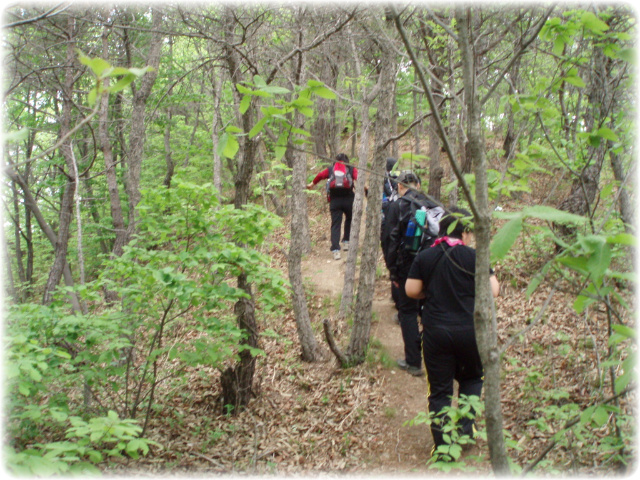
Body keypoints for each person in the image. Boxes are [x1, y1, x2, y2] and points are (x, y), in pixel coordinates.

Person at [405, 206, 500, 452]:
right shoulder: (474, 257)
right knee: (471, 379)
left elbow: (411, 290)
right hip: (470, 332)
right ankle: (465, 432)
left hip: (437, 333)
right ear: (466, 232)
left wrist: (431, 292)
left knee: (439, 390)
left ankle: (443, 446)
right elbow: (493, 291)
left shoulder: (426, 256)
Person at [383, 170, 442, 377]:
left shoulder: (397, 206)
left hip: (408, 265)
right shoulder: (433, 203)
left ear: (399, 186)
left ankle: (414, 362)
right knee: (430, 310)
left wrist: (393, 271)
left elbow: (389, 240)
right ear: (418, 184)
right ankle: (437, 359)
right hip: (436, 264)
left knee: (407, 311)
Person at [307, 153, 358, 260]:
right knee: (349, 219)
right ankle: (346, 242)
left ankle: (335, 250)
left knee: (336, 224)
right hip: (349, 199)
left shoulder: (330, 169)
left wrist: (312, 184)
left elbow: (320, 175)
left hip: (335, 201)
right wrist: (365, 189)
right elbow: (358, 179)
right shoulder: (352, 169)